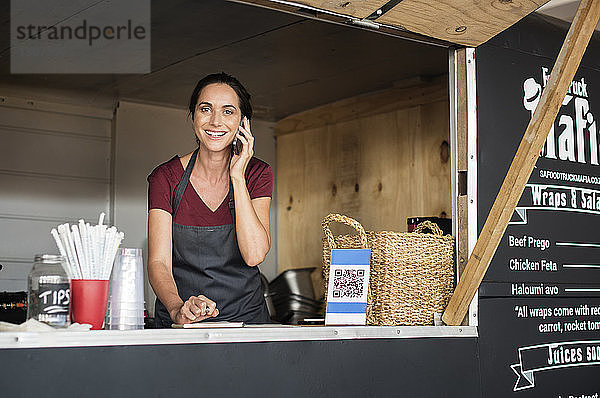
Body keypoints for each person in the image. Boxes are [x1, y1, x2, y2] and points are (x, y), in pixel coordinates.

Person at [147, 72, 272, 327]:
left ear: (243, 122)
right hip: (180, 326)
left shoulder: (257, 174)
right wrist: (177, 309)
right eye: (206, 109)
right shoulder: (166, 178)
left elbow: (254, 254)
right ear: (193, 115)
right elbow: (158, 262)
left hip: (246, 325)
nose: (216, 121)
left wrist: (237, 176)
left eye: (228, 111)